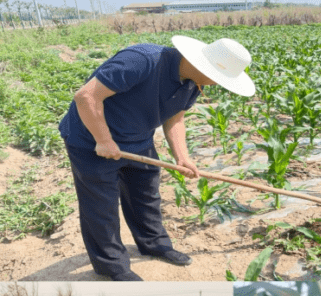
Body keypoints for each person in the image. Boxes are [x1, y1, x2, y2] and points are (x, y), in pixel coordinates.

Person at [58, 36, 255, 281]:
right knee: (101, 206)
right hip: (91, 139)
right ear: (205, 66)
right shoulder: (142, 61)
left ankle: (154, 244)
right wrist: (104, 140)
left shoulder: (193, 82)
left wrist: (182, 157)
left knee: (146, 194)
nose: (218, 84)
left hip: (138, 139)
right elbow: (86, 97)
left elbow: (175, 118)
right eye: (220, 78)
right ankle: (113, 266)